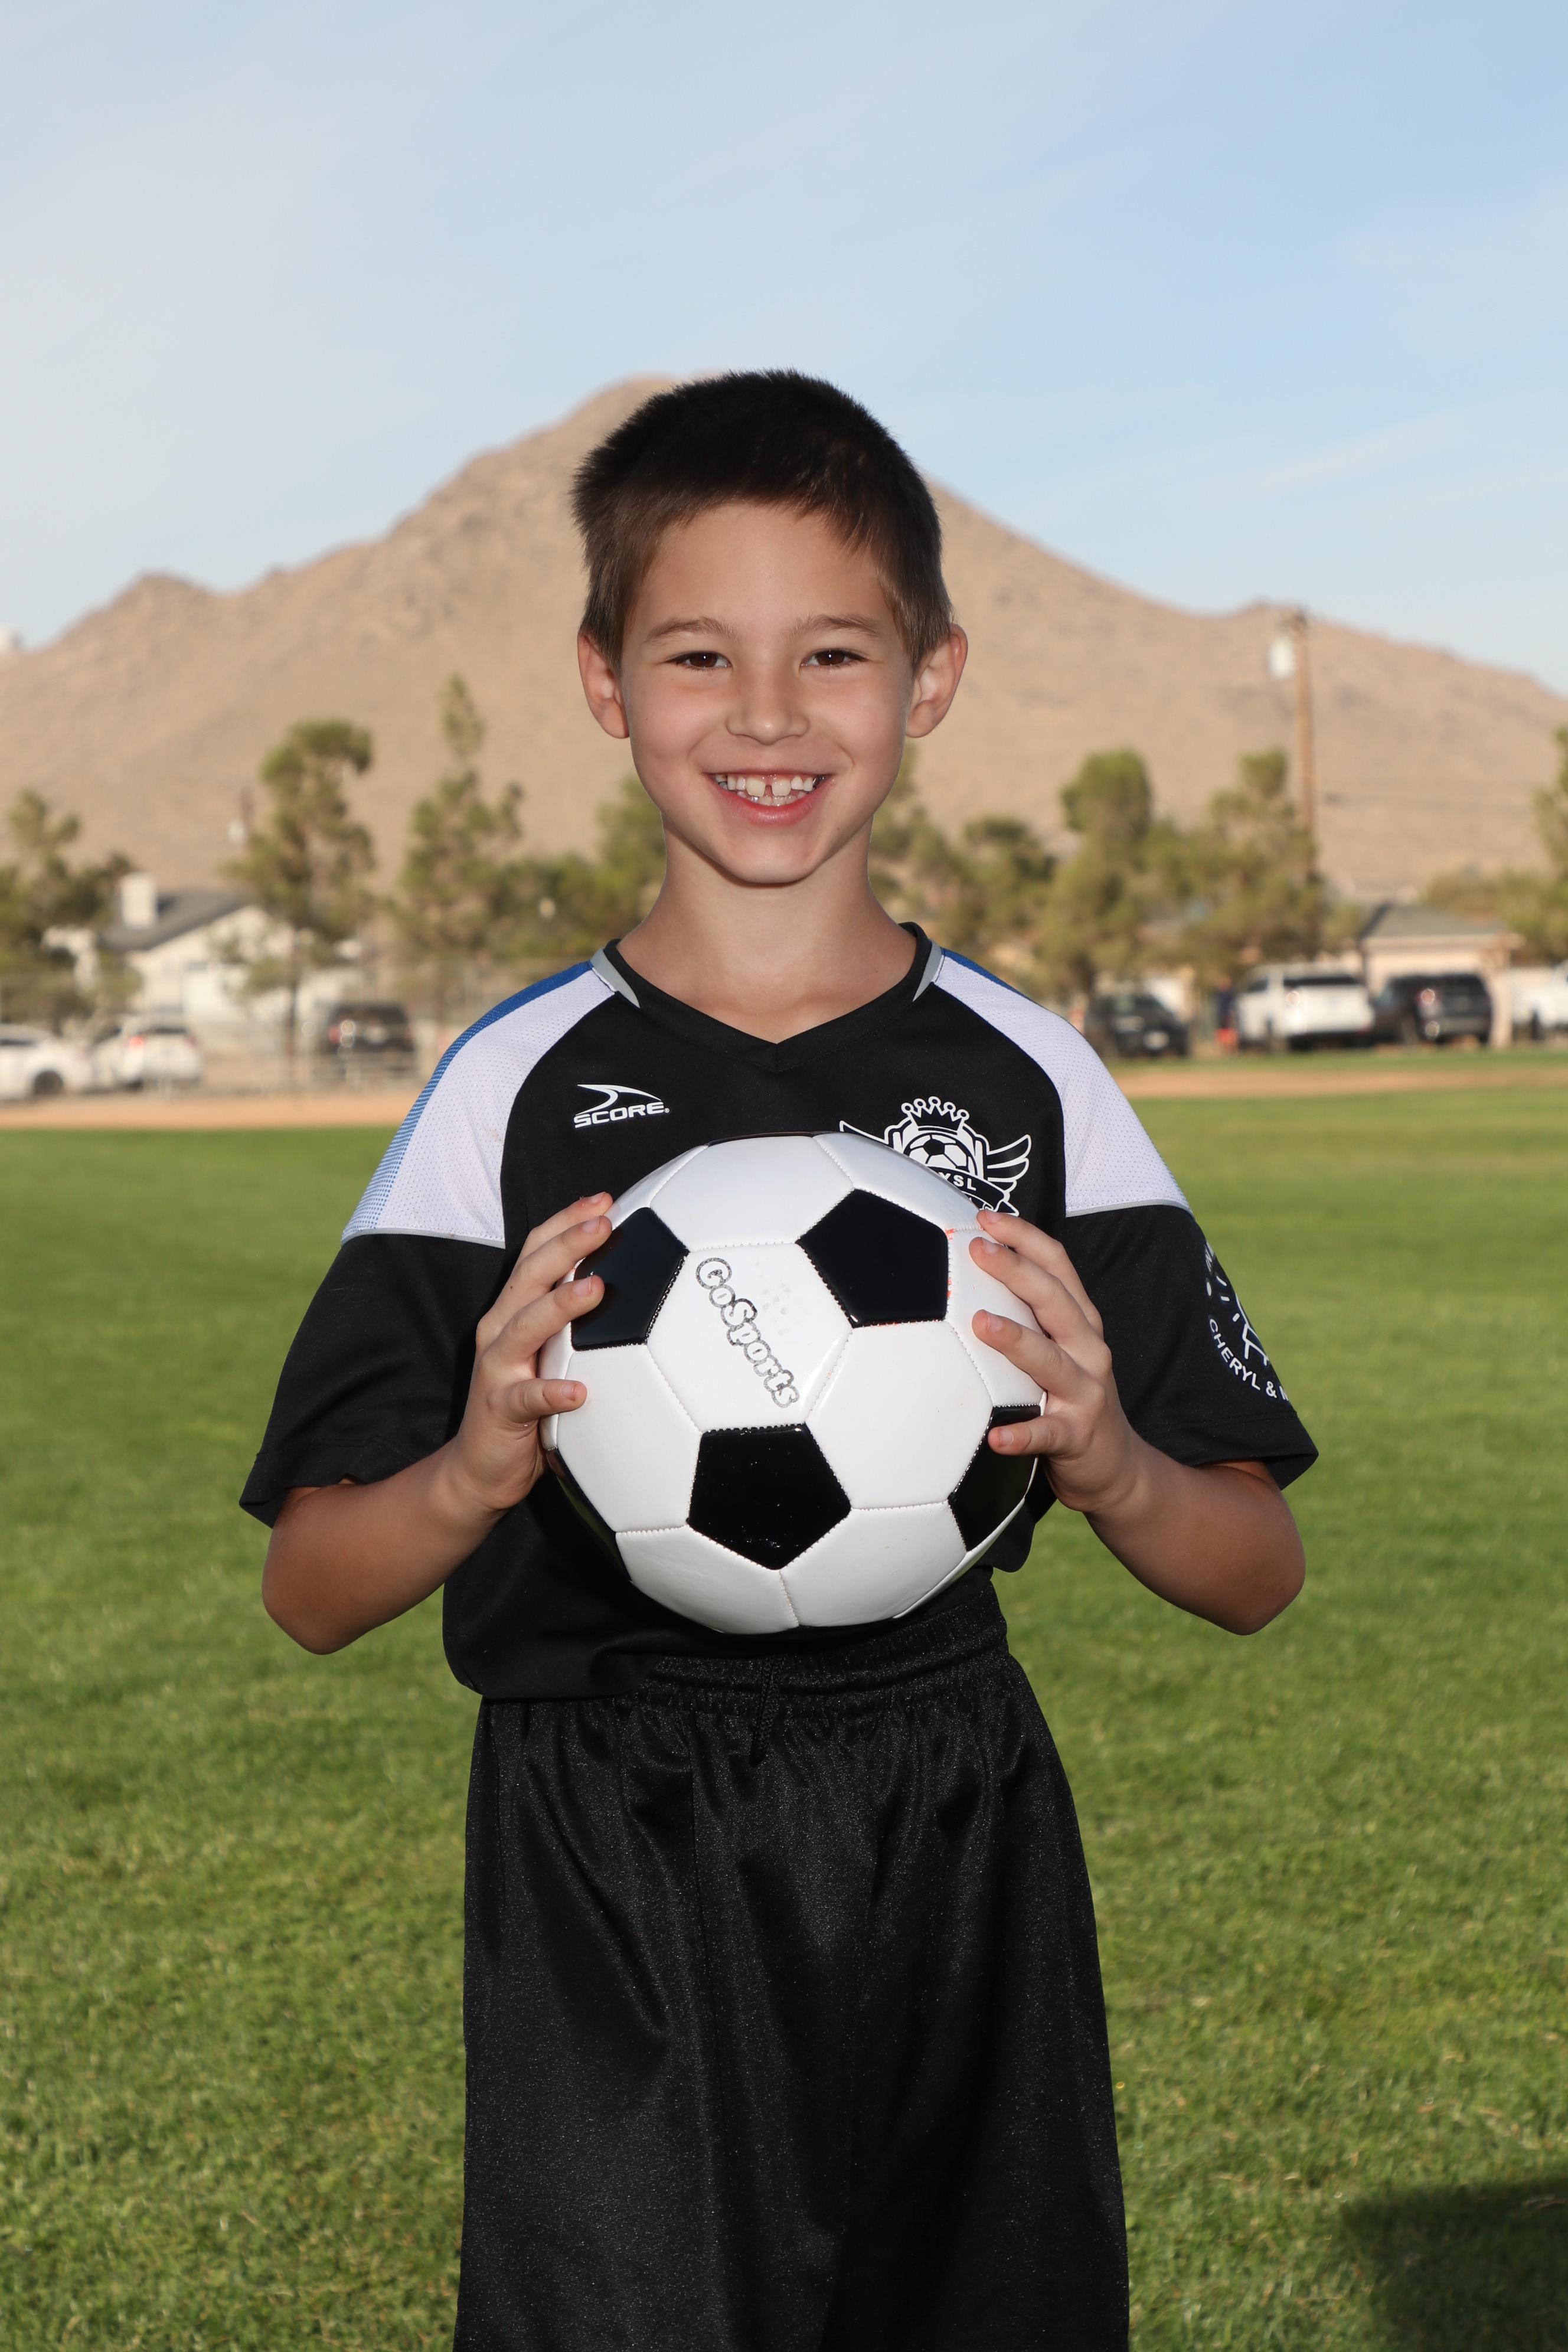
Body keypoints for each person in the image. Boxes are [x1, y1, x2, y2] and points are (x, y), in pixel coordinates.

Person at [244, 373, 1314, 2352]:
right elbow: (311, 1586)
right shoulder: (505, 1092)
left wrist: (1116, 1467)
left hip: (954, 1798)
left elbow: (1255, 1568)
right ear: (604, 682)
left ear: (930, 679)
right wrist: (470, 1473)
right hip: (613, 1819)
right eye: (696, 656)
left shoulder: (1031, 1080)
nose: (765, 715)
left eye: (831, 653)